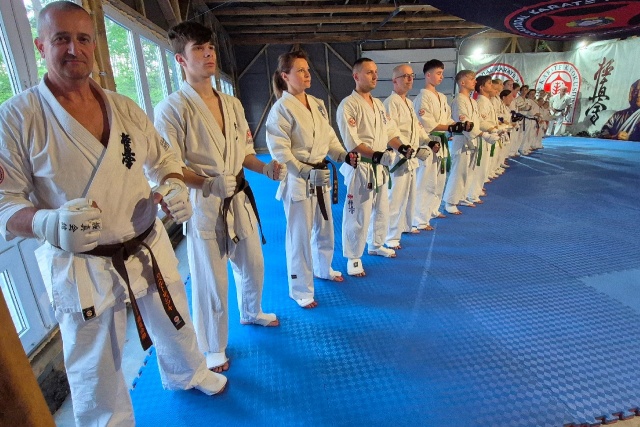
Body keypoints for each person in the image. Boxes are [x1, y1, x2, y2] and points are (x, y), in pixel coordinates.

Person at [0, 3, 226, 426]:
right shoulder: (16, 118)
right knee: (96, 362)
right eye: (61, 39)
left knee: (176, 319)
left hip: (145, 240)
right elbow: (4, 203)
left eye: (83, 39)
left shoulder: (124, 108)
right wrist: (46, 222)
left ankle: (189, 373)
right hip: (82, 260)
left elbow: (164, 159)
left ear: (94, 46)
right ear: (40, 46)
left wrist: (173, 185)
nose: (74, 49)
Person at [154, 22, 284, 374]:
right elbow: (169, 166)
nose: (209, 54)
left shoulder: (232, 104)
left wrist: (266, 169)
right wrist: (207, 184)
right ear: (181, 59)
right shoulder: (171, 108)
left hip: (237, 195)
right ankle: (213, 345)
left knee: (253, 262)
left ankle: (251, 311)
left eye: (210, 47)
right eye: (199, 49)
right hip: (204, 202)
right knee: (211, 279)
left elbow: (244, 153)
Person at [265, 51, 357, 308]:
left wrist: (342, 155)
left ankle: (323, 268)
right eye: (300, 70)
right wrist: (304, 171)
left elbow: (328, 136)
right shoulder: (281, 109)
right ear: (285, 76)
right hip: (298, 179)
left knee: (325, 226)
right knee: (299, 236)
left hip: (320, 175)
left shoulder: (316, 103)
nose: (307, 74)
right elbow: (280, 150)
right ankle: (300, 289)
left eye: (307, 70)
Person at [337, 58, 414, 277]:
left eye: (376, 72)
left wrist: (402, 148)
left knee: (382, 209)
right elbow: (351, 142)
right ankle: (353, 257)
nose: (375, 76)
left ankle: (376, 243)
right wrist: (377, 155)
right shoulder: (348, 105)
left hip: (380, 166)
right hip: (362, 166)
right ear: (356, 76)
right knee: (357, 214)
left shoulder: (379, 105)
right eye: (369, 72)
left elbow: (390, 133)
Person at [383, 64, 431, 249]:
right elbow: (391, 132)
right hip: (398, 157)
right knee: (394, 199)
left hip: (411, 157)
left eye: (411, 75)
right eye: (405, 76)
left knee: (409, 196)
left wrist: (427, 141)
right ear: (394, 80)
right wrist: (405, 149)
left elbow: (417, 127)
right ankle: (389, 237)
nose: (409, 79)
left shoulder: (409, 103)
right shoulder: (390, 103)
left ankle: (404, 226)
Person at [413, 59, 456, 226]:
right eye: (438, 73)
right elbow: (427, 123)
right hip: (429, 141)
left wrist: (457, 125)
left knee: (439, 179)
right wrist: (450, 127)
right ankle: (419, 219)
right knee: (425, 181)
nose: (441, 77)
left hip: (442, 141)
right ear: (428, 75)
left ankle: (433, 209)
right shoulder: (422, 98)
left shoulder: (442, 97)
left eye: (442, 73)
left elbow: (447, 119)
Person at [442, 70, 486, 214]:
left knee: (469, 171)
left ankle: (462, 196)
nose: (475, 81)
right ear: (462, 82)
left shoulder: (472, 101)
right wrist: (481, 134)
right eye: (471, 79)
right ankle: (450, 202)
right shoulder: (459, 100)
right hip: (462, 139)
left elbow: (477, 122)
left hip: (473, 139)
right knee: (459, 171)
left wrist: (488, 130)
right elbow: (464, 122)